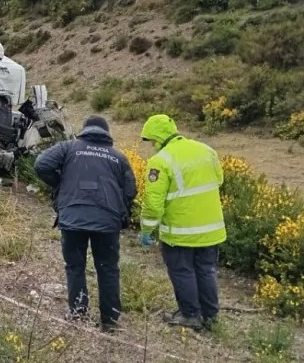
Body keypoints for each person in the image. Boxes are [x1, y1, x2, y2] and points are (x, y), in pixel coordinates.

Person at [35, 115, 137, 332]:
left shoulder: (69, 148)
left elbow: (41, 164)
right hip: (107, 222)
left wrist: (61, 184)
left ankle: (78, 314)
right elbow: (131, 190)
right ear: (107, 133)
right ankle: (110, 321)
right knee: (108, 269)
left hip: (72, 219)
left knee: (75, 267)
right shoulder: (118, 157)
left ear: (84, 130)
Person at [139, 114, 225, 331]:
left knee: (182, 271)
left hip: (180, 232)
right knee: (206, 270)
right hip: (211, 229)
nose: (152, 146)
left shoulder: (161, 161)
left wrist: (147, 229)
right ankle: (211, 315)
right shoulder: (206, 150)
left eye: (151, 142)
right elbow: (219, 180)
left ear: (157, 139)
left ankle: (190, 315)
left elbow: (153, 203)